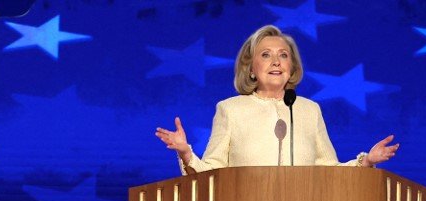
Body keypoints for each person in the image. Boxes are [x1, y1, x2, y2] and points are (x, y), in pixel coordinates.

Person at [155, 25, 398, 174]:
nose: (276, 62)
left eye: (283, 55)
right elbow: (213, 172)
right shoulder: (230, 110)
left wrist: (366, 161)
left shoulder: (309, 110)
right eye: (265, 55)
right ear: (251, 68)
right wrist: (186, 153)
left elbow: (328, 171)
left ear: (292, 68)